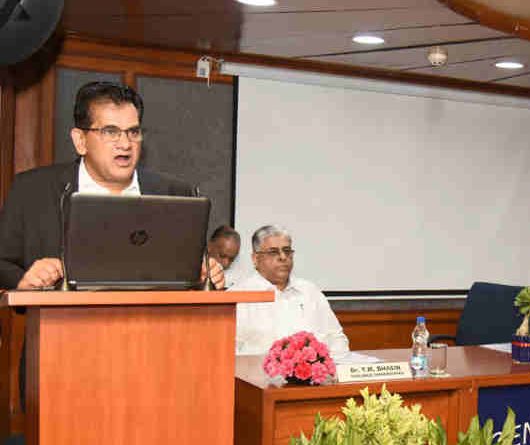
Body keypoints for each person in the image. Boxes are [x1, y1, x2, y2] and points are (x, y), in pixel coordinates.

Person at [0, 81, 224, 290]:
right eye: (110, 132)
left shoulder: (177, 194)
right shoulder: (32, 191)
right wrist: (26, 279)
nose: (125, 144)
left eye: (133, 132)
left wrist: (207, 274)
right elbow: (3, 264)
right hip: (59, 327)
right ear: (80, 141)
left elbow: (190, 273)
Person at [229, 224, 350, 359]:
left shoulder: (310, 292)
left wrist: (327, 367)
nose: (283, 257)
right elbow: (228, 350)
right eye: (273, 252)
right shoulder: (238, 296)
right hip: (255, 377)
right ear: (255, 259)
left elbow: (336, 339)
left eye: (287, 251)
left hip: (314, 378)